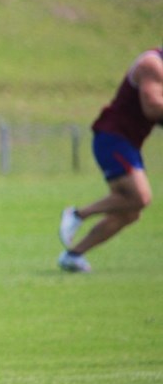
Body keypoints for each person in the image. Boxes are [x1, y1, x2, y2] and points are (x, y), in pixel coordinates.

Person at [58, 47, 163, 272]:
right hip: (113, 137)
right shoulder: (152, 65)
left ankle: (73, 255)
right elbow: (153, 108)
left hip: (128, 143)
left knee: (130, 211)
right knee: (140, 197)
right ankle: (77, 214)